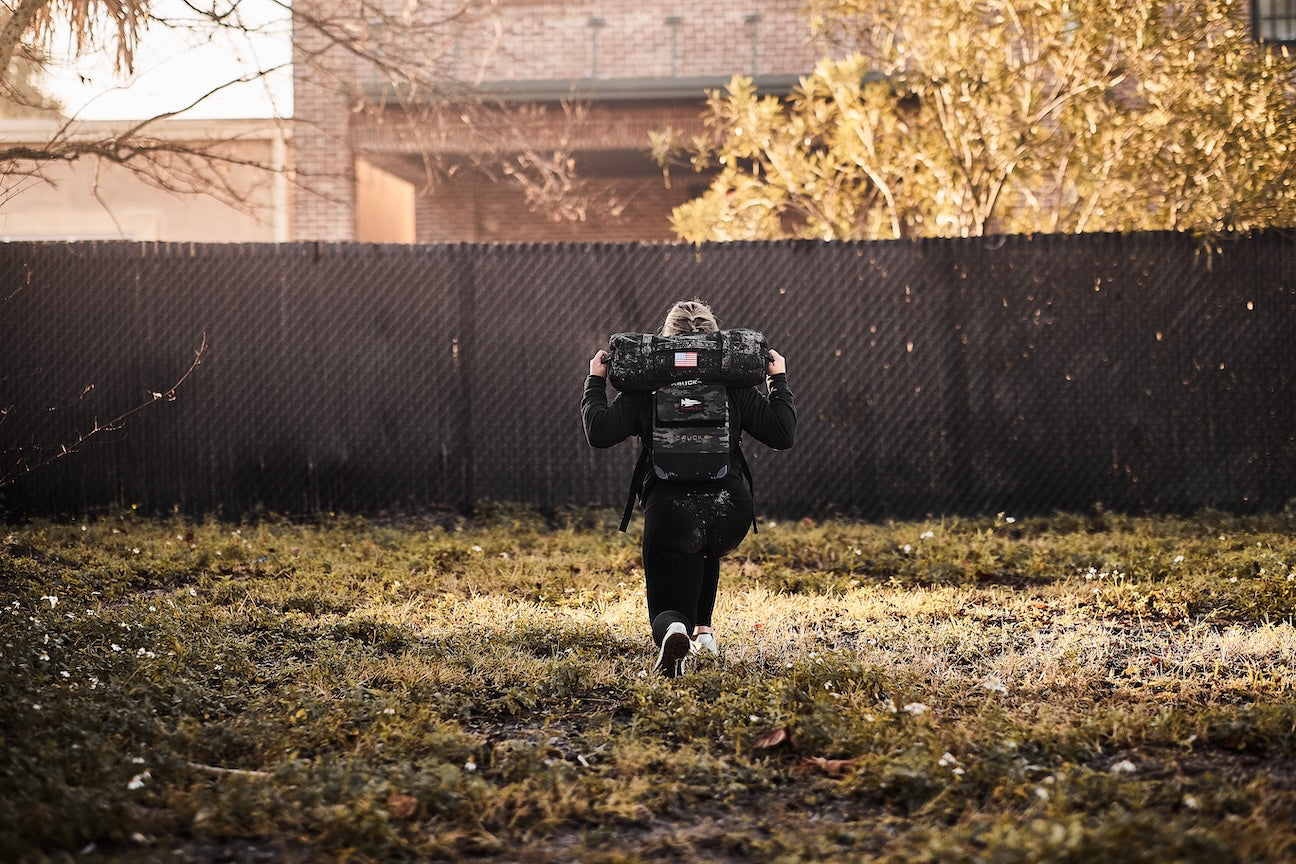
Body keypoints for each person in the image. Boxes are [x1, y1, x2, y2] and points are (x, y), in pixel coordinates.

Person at [581, 299, 797, 677]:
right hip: (730, 507)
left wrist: (595, 380)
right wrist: (777, 379)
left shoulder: (644, 390)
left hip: (670, 508)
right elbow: (782, 434)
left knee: (665, 604)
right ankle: (705, 634)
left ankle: (674, 631)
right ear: (714, 340)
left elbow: (599, 432)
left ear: (666, 340)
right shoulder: (737, 388)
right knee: (704, 544)